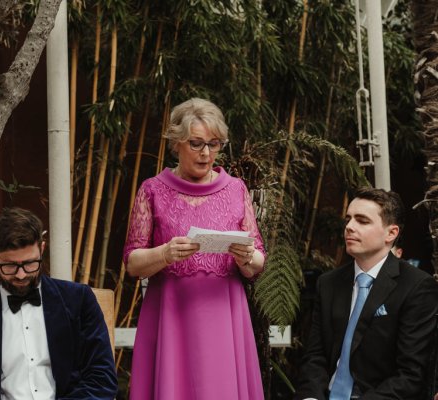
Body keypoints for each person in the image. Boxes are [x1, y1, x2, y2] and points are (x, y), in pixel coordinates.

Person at [123, 98, 266, 400]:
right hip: (171, 314)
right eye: (197, 144)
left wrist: (246, 257)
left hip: (225, 316)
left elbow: (257, 262)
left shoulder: (236, 189)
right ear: (176, 143)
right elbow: (133, 263)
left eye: (214, 144)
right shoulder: (152, 190)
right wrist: (164, 254)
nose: (206, 153)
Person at [0, 207, 117, 400]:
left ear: (42, 249)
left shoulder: (79, 300)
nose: (21, 275)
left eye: (30, 263)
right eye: (10, 265)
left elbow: (102, 379)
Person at [295, 188, 438, 399]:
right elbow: (315, 357)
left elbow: (410, 376)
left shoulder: (416, 286)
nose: (349, 227)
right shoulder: (329, 283)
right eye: (348, 219)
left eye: (362, 221)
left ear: (391, 233)